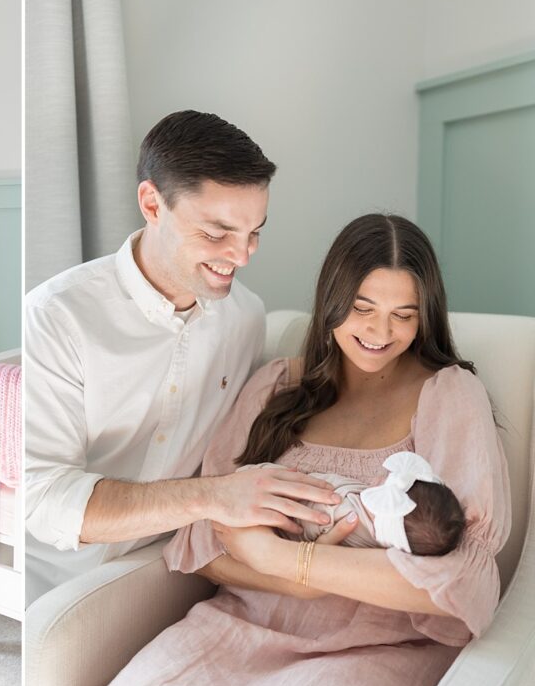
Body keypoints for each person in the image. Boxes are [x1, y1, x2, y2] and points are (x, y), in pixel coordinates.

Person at [87, 214, 510, 686]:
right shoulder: (276, 387)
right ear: (332, 300)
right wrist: (289, 581)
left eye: (404, 314)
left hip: (375, 647)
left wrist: (288, 559)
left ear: (425, 316)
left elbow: (462, 581)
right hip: (240, 626)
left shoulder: (447, 394)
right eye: (362, 307)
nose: (380, 331)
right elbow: (201, 543)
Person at [25, 111, 341, 602]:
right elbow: (42, 500)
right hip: (55, 579)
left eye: (255, 231)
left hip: (174, 565)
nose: (241, 256)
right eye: (217, 233)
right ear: (153, 204)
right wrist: (214, 496)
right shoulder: (58, 316)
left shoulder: (246, 317)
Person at [240, 450, 466, 555]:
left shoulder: (343, 514)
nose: (381, 477)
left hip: (261, 505)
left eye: (385, 481)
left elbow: (303, 525)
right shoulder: (373, 542)